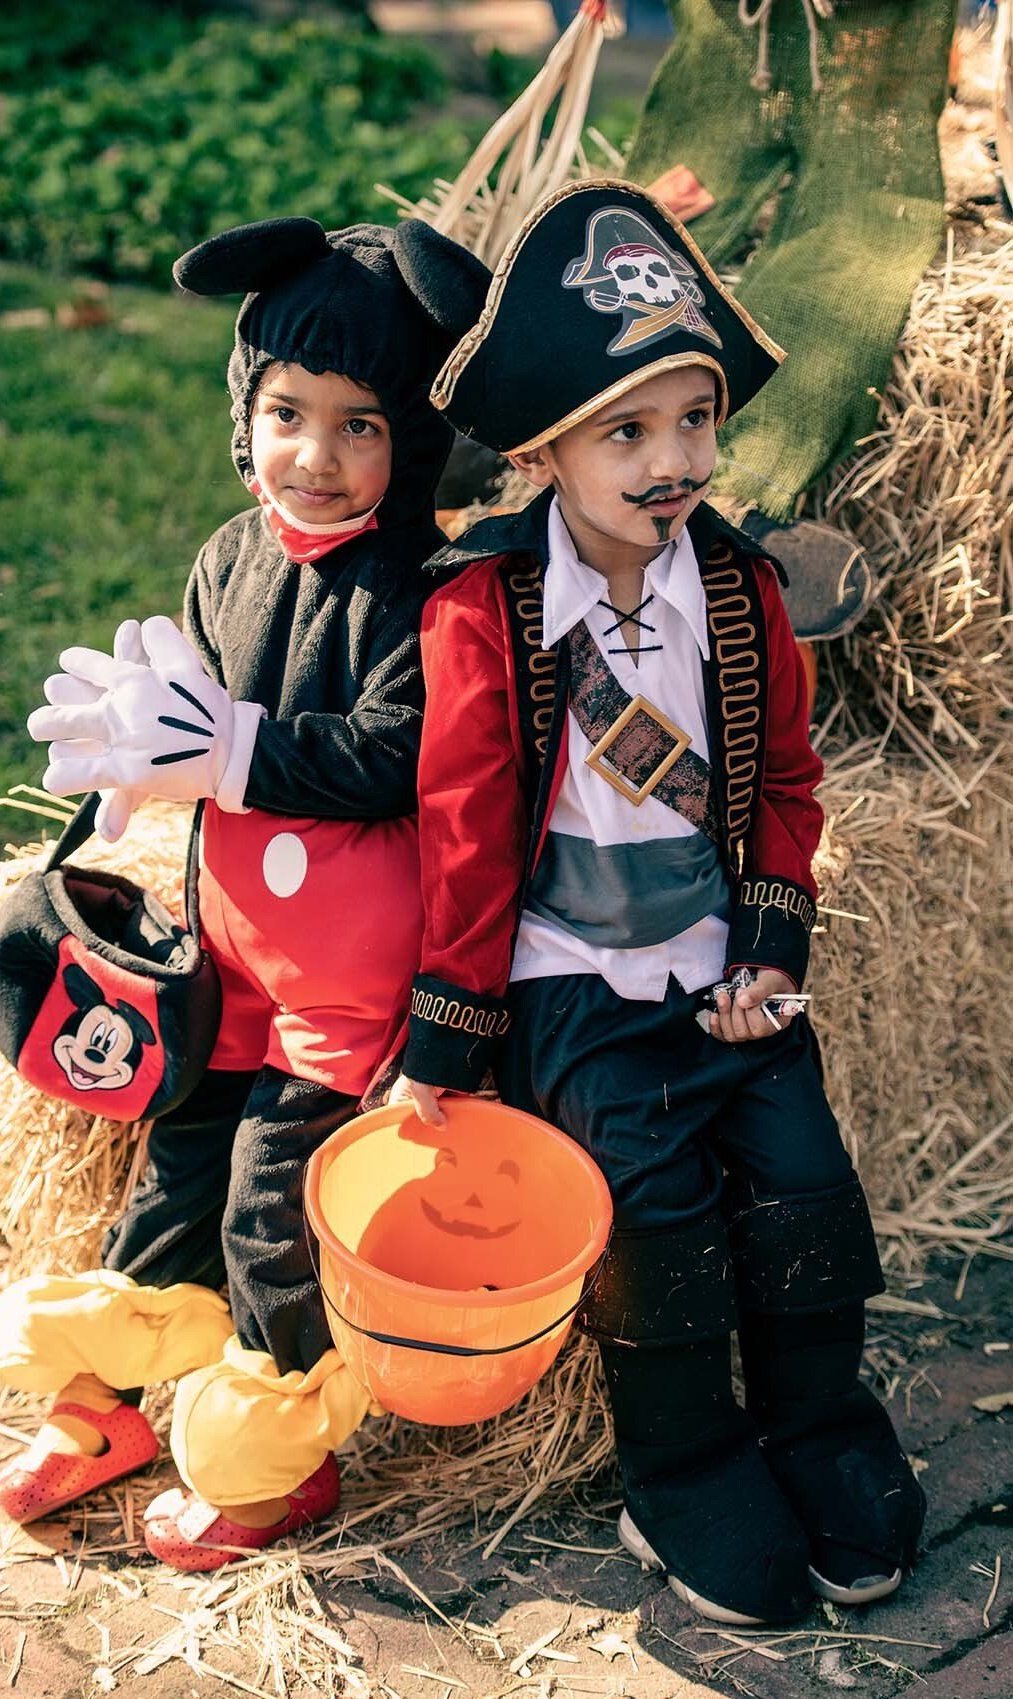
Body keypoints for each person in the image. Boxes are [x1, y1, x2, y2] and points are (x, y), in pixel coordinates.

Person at [391, 180, 925, 1625]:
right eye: (626, 430)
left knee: (807, 1189)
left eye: (693, 419)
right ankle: (681, 1471)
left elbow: (788, 790)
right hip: (573, 984)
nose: (671, 457)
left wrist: (766, 942)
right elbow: (458, 834)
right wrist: (443, 1046)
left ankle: (820, 1434)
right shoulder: (481, 612)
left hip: (719, 973)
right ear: (545, 450)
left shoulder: (743, 597)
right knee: (654, 1227)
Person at [0, 214, 489, 1571]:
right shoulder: (229, 554)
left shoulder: (423, 592)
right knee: (175, 1164)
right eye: (284, 412)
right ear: (243, 410)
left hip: (345, 986)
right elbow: (188, 711)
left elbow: (395, 757)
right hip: (231, 954)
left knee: (272, 1206)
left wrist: (233, 750)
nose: (313, 456)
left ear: (414, 438)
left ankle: (273, 1459)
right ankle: (113, 1406)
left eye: (358, 425)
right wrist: (136, 776)